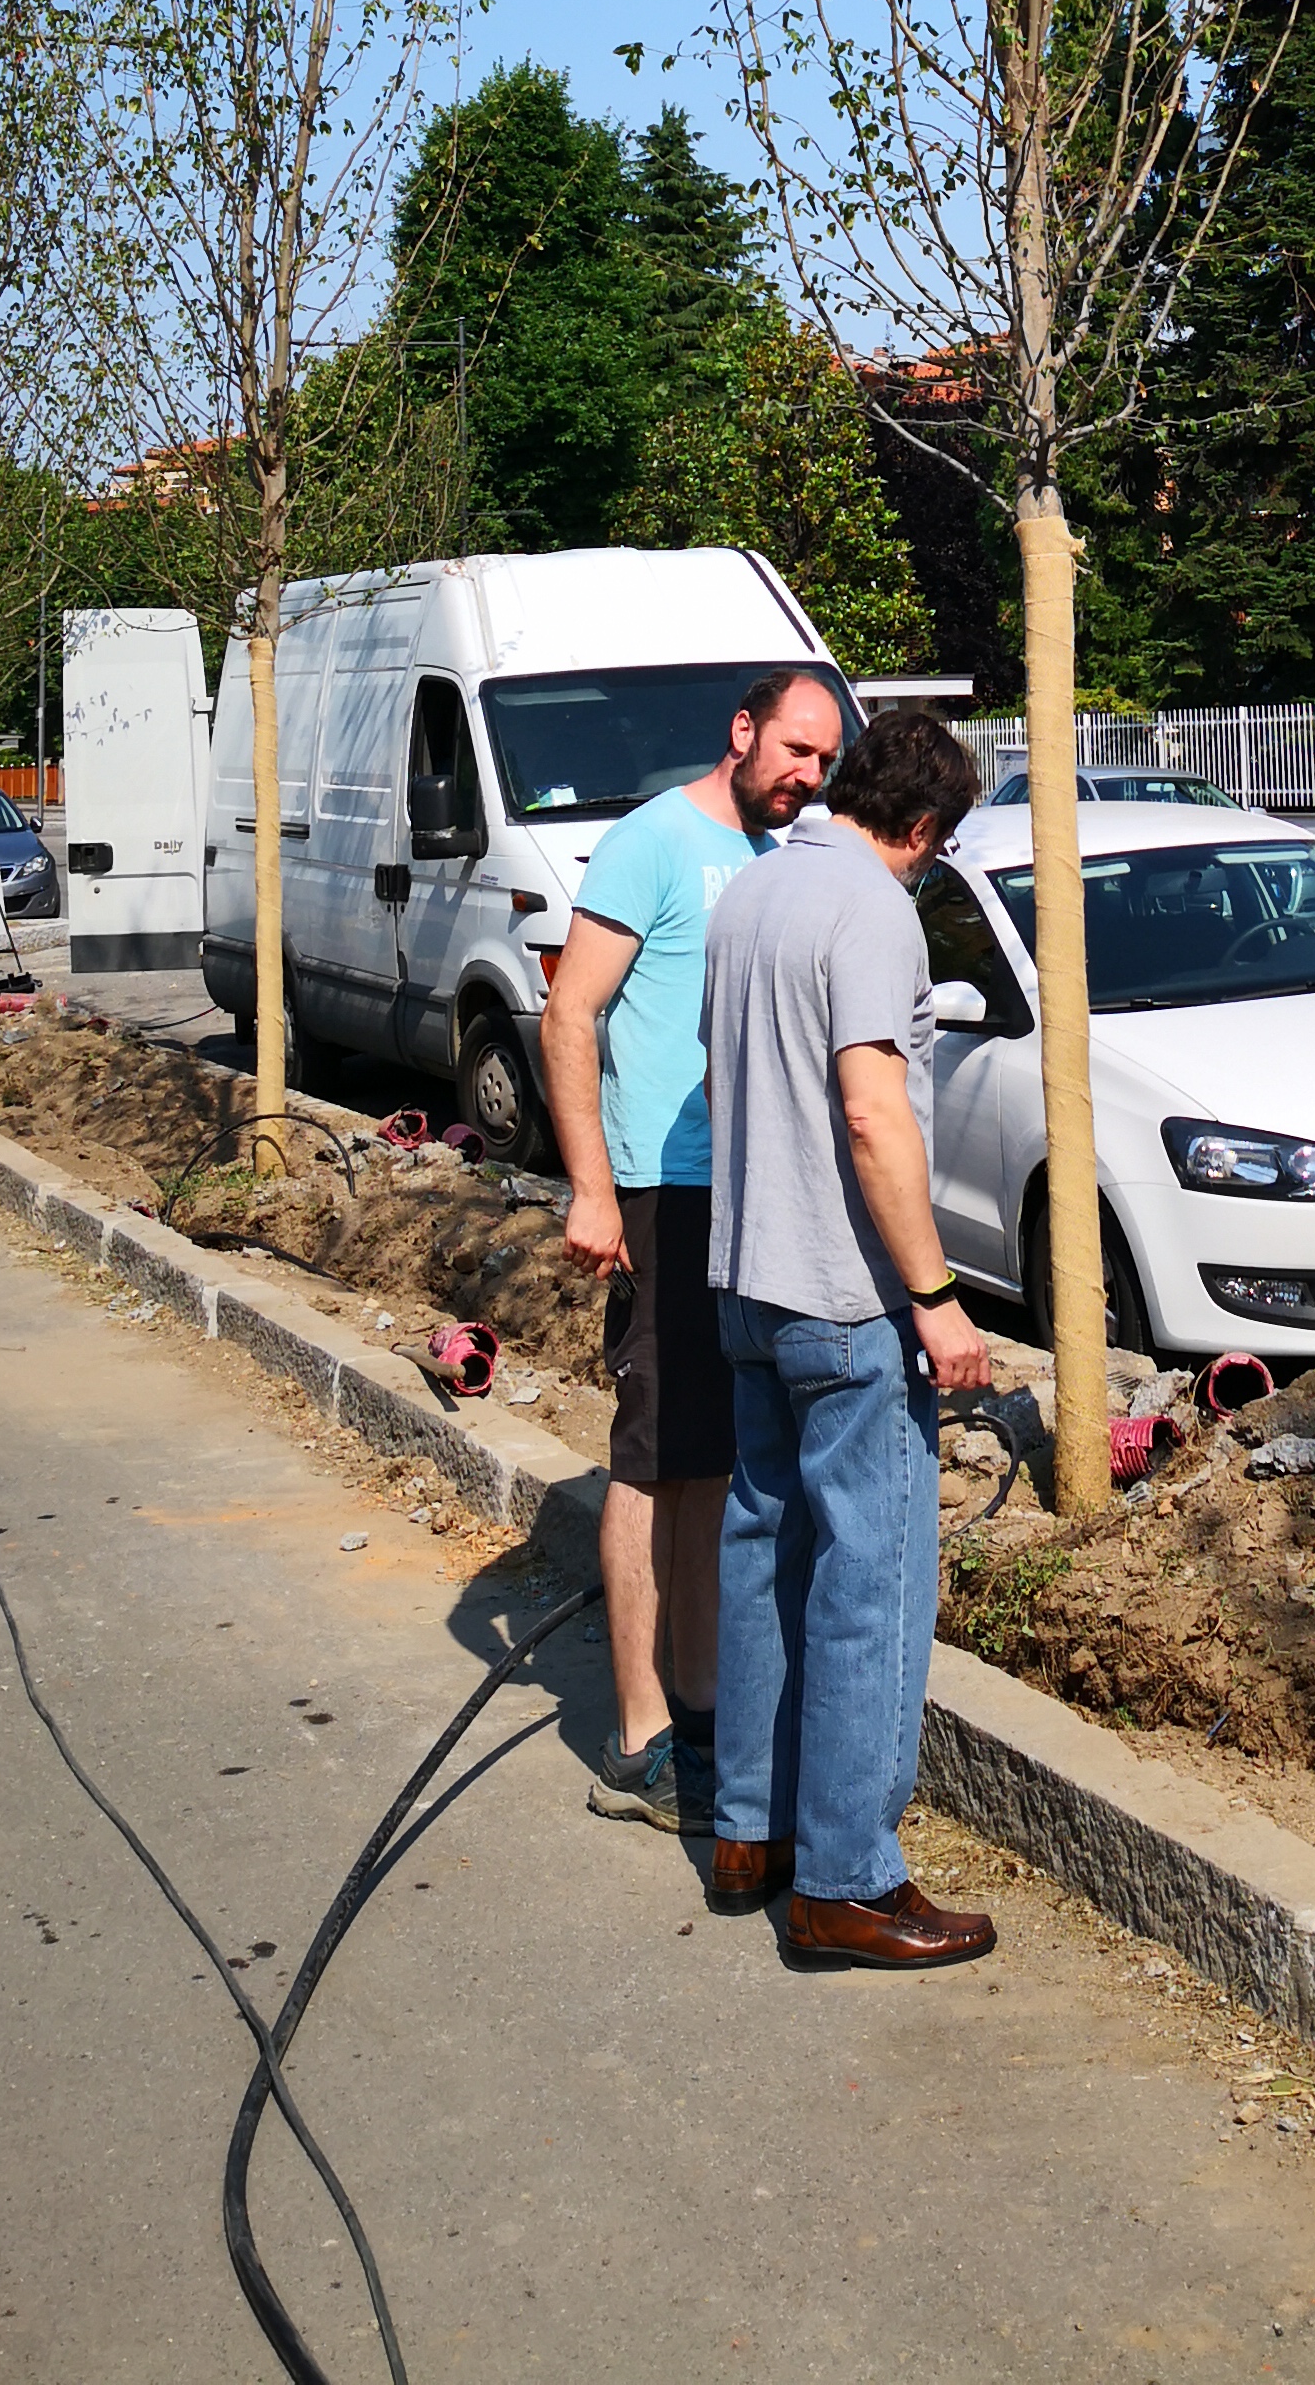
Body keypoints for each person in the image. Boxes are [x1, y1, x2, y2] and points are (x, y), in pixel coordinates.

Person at [700, 702, 999, 1970]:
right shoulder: (874, 910)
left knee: (765, 1545)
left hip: (746, 1280)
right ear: (922, 827)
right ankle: (846, 1878)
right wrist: (934, 1295)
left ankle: (749, 1834)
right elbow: (876, 1115)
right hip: (842, 1295)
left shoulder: (754, 892)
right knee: (871, 1577)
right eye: (939, 847)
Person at [539, 662, 848, 1833]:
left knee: (710, 1461)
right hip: (661, 1194)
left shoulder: (792, 857)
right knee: (648, 1456)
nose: (807, 774)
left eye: (824, 758)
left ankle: (704, 1701)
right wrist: (591, 1187)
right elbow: (573, 1011)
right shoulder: (654, 842)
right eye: (794, 749)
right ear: (742, 731)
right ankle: (637, 1737)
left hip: (757, 1196)